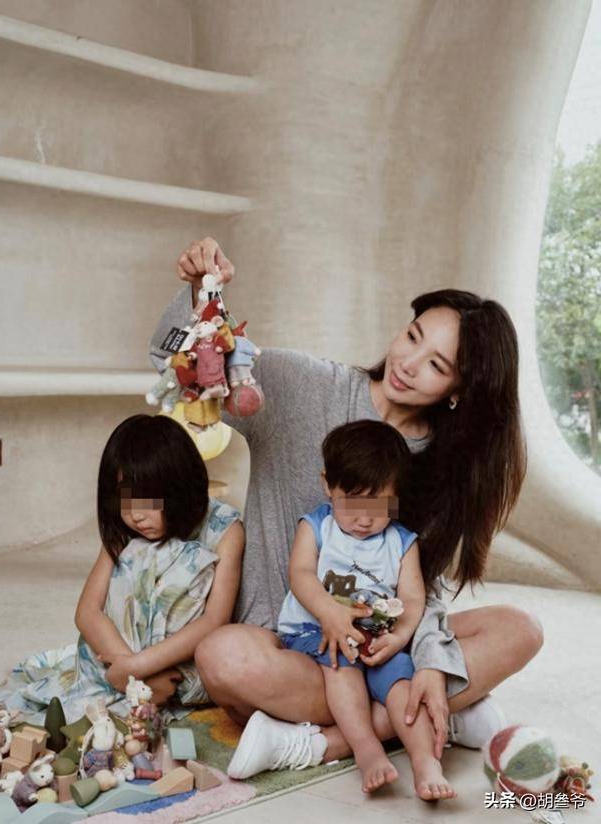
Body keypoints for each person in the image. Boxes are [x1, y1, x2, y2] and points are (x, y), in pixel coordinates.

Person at [148, 237, 542, 773]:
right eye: (412, 336)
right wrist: (202, 293)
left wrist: (428, 662)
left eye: (436, 364)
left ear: (459, 391)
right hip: (287, 644)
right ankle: (438, 714)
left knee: (521, 629)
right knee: (223, 658)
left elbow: (422, 592)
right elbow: (176, 370)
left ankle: (323, 743)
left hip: (382, 645)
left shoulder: (448, 465)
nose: (408, 363)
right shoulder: (305, 387)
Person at [236, 419, 456, 799]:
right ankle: (366, 749)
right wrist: (329, 613)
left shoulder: (402, 542)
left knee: (403, 686)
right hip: (317, 631)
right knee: (341, 664)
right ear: (328, 485)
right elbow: (301, 574)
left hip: (379, 636)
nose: (365, 518)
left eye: (379, 505)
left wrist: (400, 637)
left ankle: (426, 763)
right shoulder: (317, 526)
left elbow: (413, 598)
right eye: (352, 502)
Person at [0, 414, 244, 724]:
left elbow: (215, 620)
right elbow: (88, 611)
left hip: (182, 665)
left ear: (179, 488)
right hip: (117, 660)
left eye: (149, 501)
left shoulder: (225, 529)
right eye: (126, 501)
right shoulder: (124, 532)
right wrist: (128, 671)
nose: (136, 516)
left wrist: (138, 668)